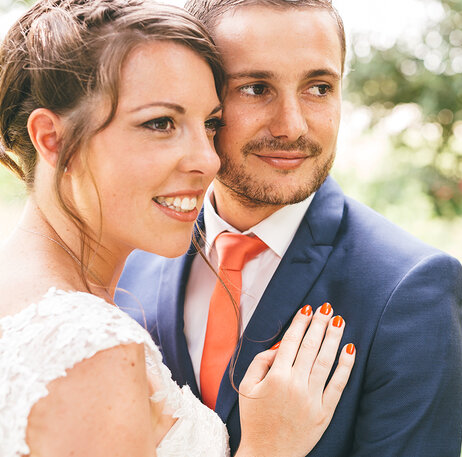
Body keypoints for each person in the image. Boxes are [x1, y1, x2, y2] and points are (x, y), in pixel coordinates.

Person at [0, 1, 355, 456]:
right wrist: (267, 448)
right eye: (161, 123)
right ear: (54, 139)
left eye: (209, 124)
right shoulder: (91, 352)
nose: (208, 159)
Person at [116, 0, 462, 455]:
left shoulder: (409, 289)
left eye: (319, 88)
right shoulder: (130, 257)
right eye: (256, 88)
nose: (292, 126)